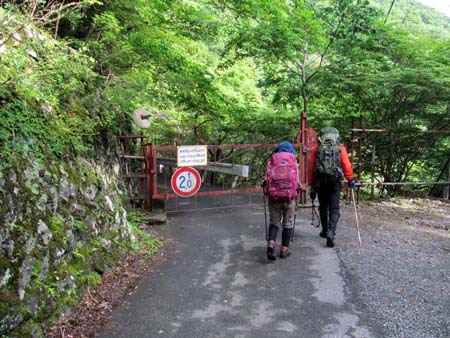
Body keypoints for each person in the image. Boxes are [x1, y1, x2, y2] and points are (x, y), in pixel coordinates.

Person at [308, 127, 355, 247]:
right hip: (335, 182)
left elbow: (311, 167)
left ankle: (324, 231)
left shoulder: (317, 148)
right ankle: (331, 232)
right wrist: (350, 178)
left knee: (323, 207)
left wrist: (311, 184)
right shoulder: (340, 148)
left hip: (320, 181)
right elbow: (346, 164)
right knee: (334, 208)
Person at [263, 141, 302, 261]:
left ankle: (271, 244)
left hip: (274, 196)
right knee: (288, 222)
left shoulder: (272, 162)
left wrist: (265, 188)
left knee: (274, 221)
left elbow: (266, 180)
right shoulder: (294, 163)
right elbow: (297, 182)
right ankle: (284, 249)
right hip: (289, 197)